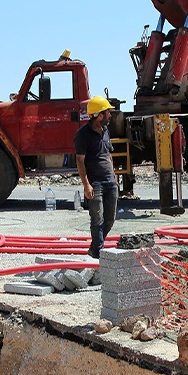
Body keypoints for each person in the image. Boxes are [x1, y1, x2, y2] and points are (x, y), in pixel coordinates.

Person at [74, 96, 117, 259]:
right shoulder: (82, 135)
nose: (110, 115)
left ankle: (94, 249)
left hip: (110, 182)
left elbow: (108, 154)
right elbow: (80, 160)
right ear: (100, 115)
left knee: (110, 219)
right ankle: (99, 254)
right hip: (95, 184)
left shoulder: (105, 131)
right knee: (97, 219)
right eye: (108, 112)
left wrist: (114, 175)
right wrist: (87, 185)